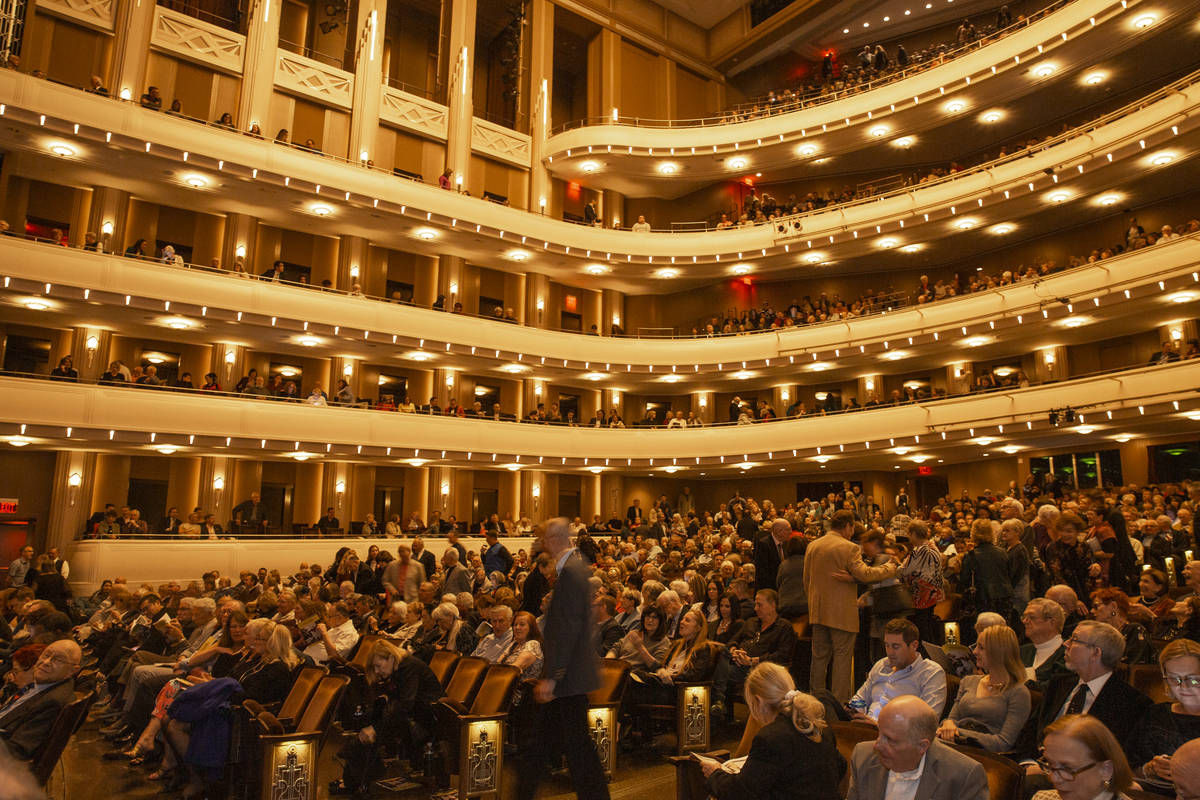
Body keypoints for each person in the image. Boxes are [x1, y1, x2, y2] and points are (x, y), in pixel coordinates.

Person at [517, 518, 610, 800]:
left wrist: (552, 677)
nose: (542, 543)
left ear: (554, 539)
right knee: (557, 746)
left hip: (567, 678)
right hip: (569, 676)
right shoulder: (572, 568)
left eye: (544, 538)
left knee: (573, 748)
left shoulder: (571, 572)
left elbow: (568, 630)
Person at [701, 663, 845, 800]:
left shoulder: (770, 738)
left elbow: (740, 792)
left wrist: (715, 773)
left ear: (759, 701)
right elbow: (840, 766)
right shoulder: (819, 726)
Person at [805, 511, 897, 701]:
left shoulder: (813, 545)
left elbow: (807, 580)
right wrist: (889, 568)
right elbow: (865, 574)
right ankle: (839, 703)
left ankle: (816, 699)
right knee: (842, 659)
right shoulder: (849, 548)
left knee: (819, 657)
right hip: (841, 612)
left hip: (817, 609)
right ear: (847, 526)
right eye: (852, 528)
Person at [329, 640, 442, 795]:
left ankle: (355, 778)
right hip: (414, 714)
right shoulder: (399, 668)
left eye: (378, 666)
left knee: (377, 729)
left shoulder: (409, 666)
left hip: (430, 719)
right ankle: (356, 779)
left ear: (390, 658)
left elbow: (405, 704)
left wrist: (374, 728)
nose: (376, 671)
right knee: (373, 720)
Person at [1024, 620, 1151, 757]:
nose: (1065, 644)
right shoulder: (1058, 683)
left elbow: (1116, 755)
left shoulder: (1131, 703)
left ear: (1096, 653)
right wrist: (1028, 762)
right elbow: (1030, 733)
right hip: (1039, 766)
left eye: (1074, 640)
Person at [845, 695, 988, 800]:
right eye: (879, 733)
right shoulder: (863, 756)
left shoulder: (963, 775)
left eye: (890, 739)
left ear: (922, 746)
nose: (877, 745)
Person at [937, 624, 1031, 752]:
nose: (975, 652)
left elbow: (1004, 742)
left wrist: (957, 731)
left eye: (981, 648)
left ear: (999, 652)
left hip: (985, 754)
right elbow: (951, 720)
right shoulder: (968, 681)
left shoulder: (1018, 692)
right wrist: (948, 724)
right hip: (954, 746)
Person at [1127, 638, 1200, 784]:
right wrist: (1149, 769)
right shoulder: (1154, 714)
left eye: (1192, 679)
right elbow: (1127, 769)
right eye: (1174, 679)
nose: (1183, 687)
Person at [849, 618, 946, 722]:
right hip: (864, 728)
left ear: (914, 645)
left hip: (895, 735)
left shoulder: (931, 673)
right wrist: (853, 710)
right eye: (887, 645)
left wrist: (879, 726)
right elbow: (860, 698)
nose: (890, 652)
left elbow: (927, 722)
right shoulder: (881, 665)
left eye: (896, 646)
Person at [0, 639, 82, 760]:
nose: (46, 662)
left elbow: (18, 750)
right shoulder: (45, 684)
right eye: (46, 654)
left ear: (73, 670)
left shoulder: (53, 702)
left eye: (58, 660)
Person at [1031, 714, 1135, 800]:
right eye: (1049, 764)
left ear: (1105, 770)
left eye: (1067, 769)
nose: (1054, 779)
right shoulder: (1042, 798)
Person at [1020, 598, 1070, 689]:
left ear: (1052, 622)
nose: (1024, 621)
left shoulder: (1068, 653)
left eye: (1032, 617)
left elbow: (1055, 689)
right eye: (1024, 617)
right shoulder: (1022, 651)